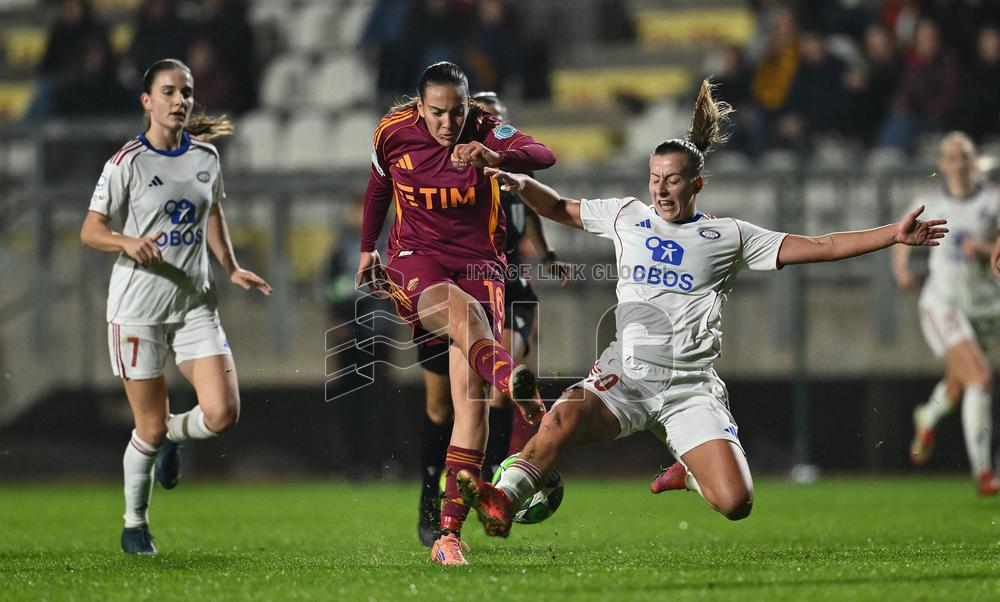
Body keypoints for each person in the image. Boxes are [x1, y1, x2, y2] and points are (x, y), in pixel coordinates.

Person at [457, 80, 948, 537]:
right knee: (561, 416)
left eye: (673, 181)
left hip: (689, 388)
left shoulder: (729, 236)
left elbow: (821, 243)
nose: (661, 190)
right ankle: (503, 499)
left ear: (697, 185)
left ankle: (690, 473)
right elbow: (562, 207)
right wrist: (523, 186)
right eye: (655, 179)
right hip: (626, 376)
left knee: (736, 503)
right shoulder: (628, 216)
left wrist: (893, 235)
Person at [358, 61, 555, 565]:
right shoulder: (392, 132)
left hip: (479, 265)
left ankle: (447, 536)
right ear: (419, 106)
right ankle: (514, 381)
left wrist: (492, 153)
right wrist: (368, 249)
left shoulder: (485, 126)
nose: (448, 124)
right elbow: (379, 187)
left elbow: (542, 154)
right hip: (416, 261)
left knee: (470, 408)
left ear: (469, 105)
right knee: (463, 325)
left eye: (457, 112)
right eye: (438, 113)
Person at [80, 58, 271, 554]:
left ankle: (173, 439)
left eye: (186, 92)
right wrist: (125, 241)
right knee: (146, 425)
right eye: (168, 92)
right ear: (147, 101)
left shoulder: (206, 156)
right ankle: (134, 524)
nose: (180, 101)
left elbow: (212, 212)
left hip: (193, 305)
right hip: (137, 310)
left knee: (223, 412)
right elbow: (90, 230)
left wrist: (229, 265)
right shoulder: (126, 163)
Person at [413, 91, 566, 547]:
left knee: (495, 394)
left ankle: (494, 487)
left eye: (500, 124)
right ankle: (428, 502)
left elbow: (532, 218)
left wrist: (548, 256)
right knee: (441, 408)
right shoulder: (441, 174)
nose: (492, 130)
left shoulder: (512, 175)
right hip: (448, 289)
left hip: (506, 289)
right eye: (486, 123)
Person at [895, 132, 1000, 497]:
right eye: (953, 157)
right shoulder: (929, 202)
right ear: (942, 165)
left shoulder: (993, 200)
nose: (960, 163)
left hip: (986, 306)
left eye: (966, 156)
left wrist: (985, 248)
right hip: (943, 303)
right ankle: (984, 473)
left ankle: (927, 416)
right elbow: (900, 238)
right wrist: (903, 269)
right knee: (981, 379)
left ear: (975, 161)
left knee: (958, 385)